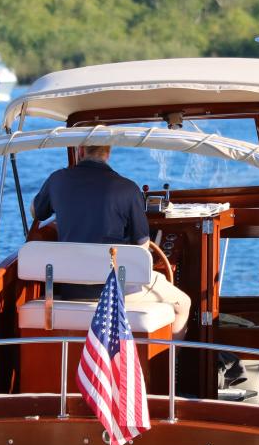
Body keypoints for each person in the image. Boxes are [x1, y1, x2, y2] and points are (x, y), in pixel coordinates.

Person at [32, 145, 191, 339]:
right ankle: (167, 366)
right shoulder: (128, 189)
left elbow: (37, 212)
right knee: (182, 303)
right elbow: (141, 248)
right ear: (108, 153)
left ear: (80, 151)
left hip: (69, 289)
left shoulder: (56, 180)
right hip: (115, 291)